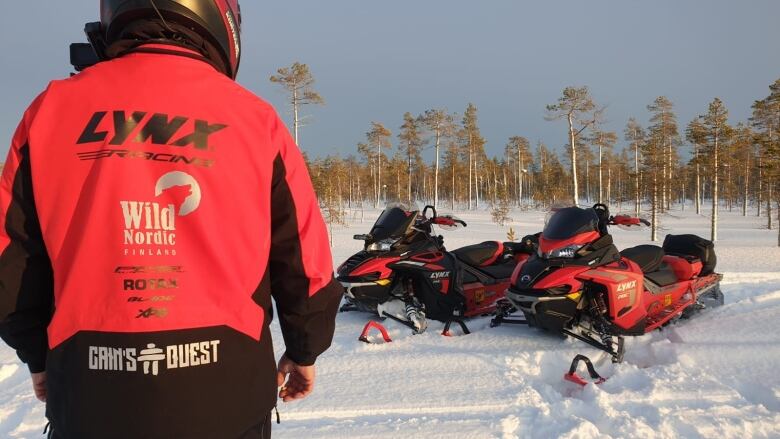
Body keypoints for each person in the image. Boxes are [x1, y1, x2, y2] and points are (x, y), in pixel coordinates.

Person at [0, 1, 342, 438]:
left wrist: (37, 354)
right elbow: (303, 256)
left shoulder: (52, 109)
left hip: (89, 387)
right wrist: (305, 348)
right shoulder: (254, 120)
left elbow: (12, 253)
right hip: (226, 390)